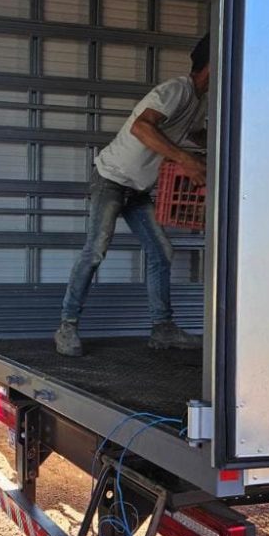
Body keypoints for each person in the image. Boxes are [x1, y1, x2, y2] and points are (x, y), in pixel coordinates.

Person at [55, 33, 211, 357]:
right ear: (213, 65)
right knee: (95, 250)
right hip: (111, 179)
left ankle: (162, 328)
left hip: (138, 188)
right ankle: (66, 326)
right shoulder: (177, 89)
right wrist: (185, 159)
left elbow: (195, 132)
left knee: (161, 251)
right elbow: (142, 127)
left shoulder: (199, 101)